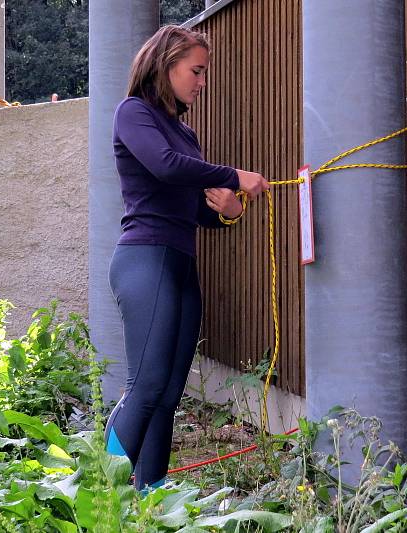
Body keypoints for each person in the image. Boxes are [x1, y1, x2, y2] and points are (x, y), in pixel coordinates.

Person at [104, 24, 269, 491]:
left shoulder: (186, 134)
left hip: (179, 266)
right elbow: (164, 166)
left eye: (204, 73)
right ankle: (97, 493)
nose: (201, 82)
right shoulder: (133, 113)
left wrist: (230, 210)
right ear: (166, 63)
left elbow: (197, 208)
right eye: (196, 71)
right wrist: (235, 173)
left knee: (168, 395)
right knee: (147, 385)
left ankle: (149, 497)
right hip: (144, 259)